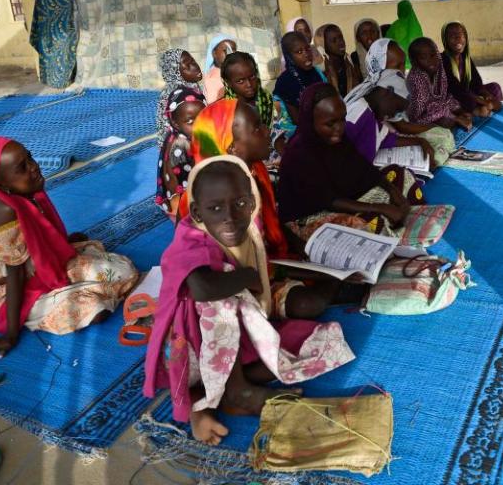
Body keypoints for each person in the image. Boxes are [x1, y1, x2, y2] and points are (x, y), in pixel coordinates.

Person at [142, 155, 355, 444]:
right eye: (215, 208)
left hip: (231, 340)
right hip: (192, 347)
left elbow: (268, 268)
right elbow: (204, 288)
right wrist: (247, 277)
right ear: (197, 211)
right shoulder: (191, 237)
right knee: (221, 292)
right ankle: (235, 391)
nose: (229, 216)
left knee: (310, 346)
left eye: (240, 204)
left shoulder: (249, 229)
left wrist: (331, 275)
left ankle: (227, 389)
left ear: (252, 203)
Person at [0, 137, 138, 361]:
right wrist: (10, 334)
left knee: (124, 270)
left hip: (37, 267)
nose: (34, 166)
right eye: (22, 167)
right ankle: (47, 309)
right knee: (95, 310)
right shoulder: (5, 210)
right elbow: (15, 274)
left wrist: (61, 242)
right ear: (0, 185)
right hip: (14, 289)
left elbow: (34, 238)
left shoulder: (22, 194)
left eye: (29, 157)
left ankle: (80, 290)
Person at [277, 83, 423, 243]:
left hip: (342, 200)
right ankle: (391, 231)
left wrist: (393, 191)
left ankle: (395, 223)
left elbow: (363, 168)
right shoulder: (299, 153)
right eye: (330, 123)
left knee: (400, 175)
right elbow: (328, 200)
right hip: (309, 216)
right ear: (310, 120)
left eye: (342, 119)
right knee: (361, 225)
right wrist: (381, 208)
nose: (339, 128)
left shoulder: (338, 140)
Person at [191, 98, 289, 260]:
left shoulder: (256, 170)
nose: (267, 131)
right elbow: (240, 263)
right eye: (257, 128)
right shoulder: (208, 200)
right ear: (232, 148)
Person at [343, 39, 435, 166]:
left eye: (403, 65)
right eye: (397, 66)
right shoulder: (360, 110)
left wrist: (420, 141)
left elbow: (384, 137)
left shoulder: (378, 106)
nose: (402, 71)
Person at [220, 52, 290, 157]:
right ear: (228, 82)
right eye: (240, 81)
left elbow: (275, 131)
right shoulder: (225, 111)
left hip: (272, 153)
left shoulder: (265, 99)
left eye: (252, 77)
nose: (249, 84)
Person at [155, 86, 207, 221]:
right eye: (190, 121)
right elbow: (186, 185)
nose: (198, 125)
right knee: (189, 236)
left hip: (180, 203)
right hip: (182, 207)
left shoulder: (174, 133)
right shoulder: (181, 146)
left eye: (202, 117)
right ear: (175, 123)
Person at [407, 38, 473, 131]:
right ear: (414, 62)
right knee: (447, 121)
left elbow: (444, 96)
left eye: (433, 55)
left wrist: (460, 111)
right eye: (423, 58)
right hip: (419, 115)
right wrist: (455, 117)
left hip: (438, 106)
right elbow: (421, 110)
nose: (430, 61)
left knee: (464, 106)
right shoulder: (416, 79)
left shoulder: (439, 68)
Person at [441, 21, 503, 117]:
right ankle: (477, 110)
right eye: (452, 35)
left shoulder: (465, 58)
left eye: (461, 34)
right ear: (445, 40)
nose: (458, 38)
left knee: (495, 87)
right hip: (452, 96)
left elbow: (476, 82)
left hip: (468, 93)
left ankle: (482, 108)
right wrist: (481, 100)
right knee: (467, 101)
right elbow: (455, 89)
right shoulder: (442, 60)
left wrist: (486, 94)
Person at [272, 31, 327, 128]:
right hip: (295, 130)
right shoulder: (285, 81)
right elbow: (296, 119)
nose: (306, 54)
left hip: (321, 121)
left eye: (308, 49)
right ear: (289, 57)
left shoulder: (316, 72)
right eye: (299, 52)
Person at [157, 49, 203, 139]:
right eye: (187, 66)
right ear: (176, 73)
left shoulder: (192, 85)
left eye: (193, 61)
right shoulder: (175, 95)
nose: (195, 66)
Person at [315, 24, 361, 97]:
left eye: (341, 38)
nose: (341, 43)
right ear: (323, 45)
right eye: (334, 41)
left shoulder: (349, 65)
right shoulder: (321, 72)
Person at [386, 0, 423, 70]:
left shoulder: (395, 25)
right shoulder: (416, 26)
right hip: (416, 65)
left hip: (399, 65)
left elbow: (386, 42)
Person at [202, 35, 237, 103]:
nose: (231, 53)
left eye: (234, 50)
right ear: (214, 53)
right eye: (225, 50)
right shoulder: (214, 78)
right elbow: (214, 106)